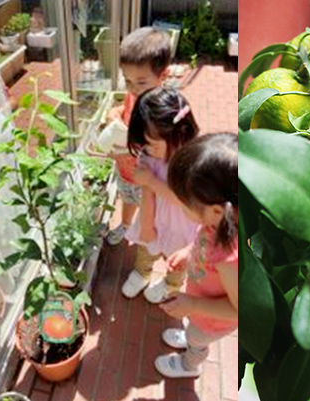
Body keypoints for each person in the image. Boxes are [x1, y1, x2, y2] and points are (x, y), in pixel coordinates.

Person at [153, 132, 238, 379]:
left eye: (185, 204)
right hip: (199, 311)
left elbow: (237, 310)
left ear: (215, 210)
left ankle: (190, 365)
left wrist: (192, 305)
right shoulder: (218, 223)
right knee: (193, 330)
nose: (182, 208)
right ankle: (190, 337)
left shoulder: (230, 257)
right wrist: (188, 252)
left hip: (211, 321)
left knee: (197, 339)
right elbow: (203, 241)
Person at [121, 86, 200, 300]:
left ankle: (172, 284)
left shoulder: (193, 162)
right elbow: (147, 190)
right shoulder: (149, 154)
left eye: (153, 145)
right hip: (152, 214)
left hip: (182, 225)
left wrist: (150, 181)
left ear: (179, 134)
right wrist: (147, 227)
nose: (147, 150)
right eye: (144, 144)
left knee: (176, 260)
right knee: (145, 247)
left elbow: (185, 202)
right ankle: (142, 272)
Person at [105, 27, 171, 246]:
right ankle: (124, 225)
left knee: (149, 207)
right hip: (126, 169)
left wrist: (124, 149)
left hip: (148, 175)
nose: (133, 88)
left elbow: (159, 148)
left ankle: (148, 236)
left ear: (163, 76)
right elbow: (124, 110)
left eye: (141, 82)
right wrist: (115, 114)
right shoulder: (134, 94)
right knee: (128, 198)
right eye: (128, 80)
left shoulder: (162, 110)